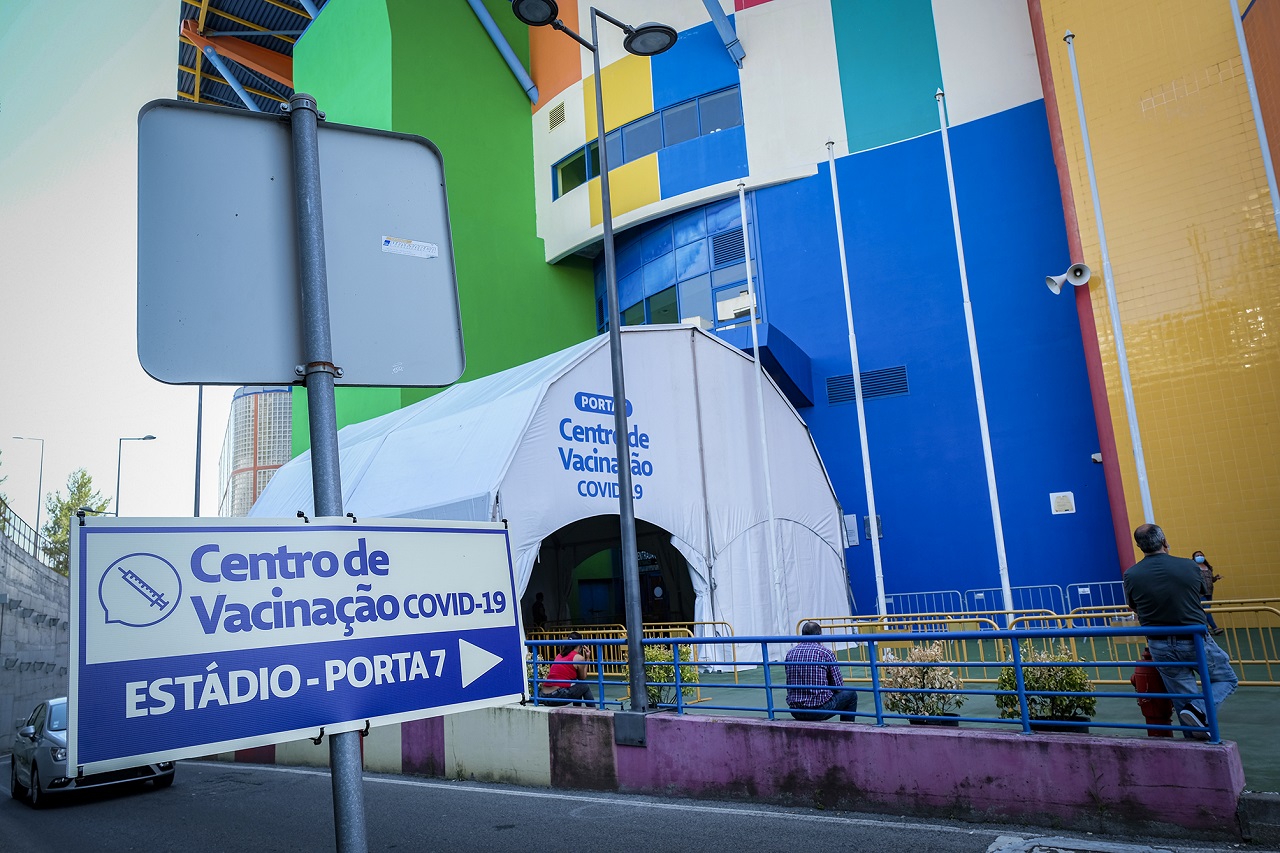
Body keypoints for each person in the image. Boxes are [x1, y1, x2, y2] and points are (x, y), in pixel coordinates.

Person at [1123, 524, 1237, 739]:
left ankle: (1194, 736)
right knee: (1226, 679)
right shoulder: (1189, 566)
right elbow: (1200, 591)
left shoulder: (1131, 574)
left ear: (1139, 546)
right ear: (1164, 541)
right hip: (1193, 638)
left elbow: (1133, 605)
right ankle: (1198, 709)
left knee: (1184, 700)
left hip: (1158, 643)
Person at [784, 621, 858, 722]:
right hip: (819, 710)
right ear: (819, 634)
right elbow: (838, 687)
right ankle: (846, 729)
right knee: (851, 694)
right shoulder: (825, 653)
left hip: (795, 710)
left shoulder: (790, 654)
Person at [539, 632, 594, 707]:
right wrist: (587, 658)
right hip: (556, 696)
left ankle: (577, 709)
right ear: (581, 645)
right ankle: (594, 710)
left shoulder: (559, 655)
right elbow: (582, 678)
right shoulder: (579, 658)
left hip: (543, 696)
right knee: (584, 686)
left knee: (577, 686)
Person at [1192, 551, 1224, 635]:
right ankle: (1215, 627)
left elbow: (1211, 579)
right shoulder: (1193, 567)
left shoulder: (1208, 567)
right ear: (1194, 558)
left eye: (1201, 555)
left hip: (1209, 592)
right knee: (1207, 610)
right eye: (1197, 555)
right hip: (1200, 592)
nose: (1200, 557)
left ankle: (1205, 628)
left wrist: (1216, 578)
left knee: (1205, 611)